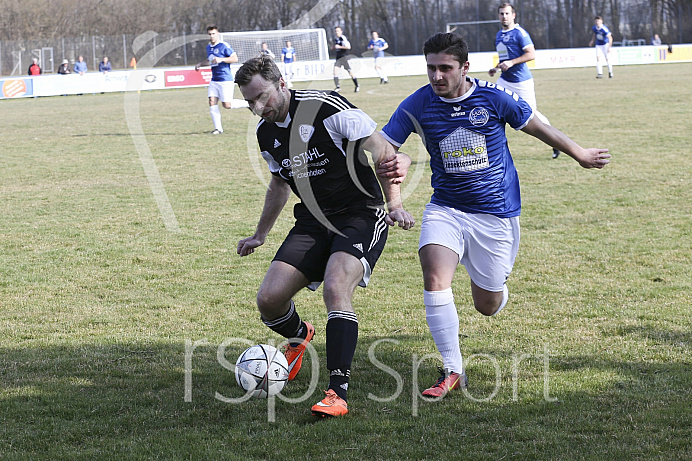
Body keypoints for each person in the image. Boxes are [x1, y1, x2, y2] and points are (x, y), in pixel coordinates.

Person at [377, 32, 610, 398]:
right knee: (435, 277)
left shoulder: (492, 96)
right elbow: (385, 153)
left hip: (495, 214)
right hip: (446, 208)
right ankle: (453, 369)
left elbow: (538, 127)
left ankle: (493, 286)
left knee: (486, 305)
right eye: (431, 68)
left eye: (445, 68)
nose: (437, 76)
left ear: (464, 67)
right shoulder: (417, 104)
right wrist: (395, 200)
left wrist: (578, 153)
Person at [234, 55, 414, 417]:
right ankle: (300, 337)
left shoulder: (325, 107)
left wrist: (393, 204)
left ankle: (337, 391)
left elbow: (383, 152)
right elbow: (279, 184)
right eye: (249, 102)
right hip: (313, 222)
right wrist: (260, 234)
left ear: (281, 84)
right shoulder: (265, 133)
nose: (257, 107)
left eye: (262, 96)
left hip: (361, 214)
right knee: (269, 300)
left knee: (336, 285)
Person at [488, 3, 559, 159]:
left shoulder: (520, 33)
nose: (504, 16)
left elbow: (531, 54)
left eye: (507, 13)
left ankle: (556, 142)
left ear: (513, 15)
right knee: (490, 105)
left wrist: (512, 63)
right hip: (504, 80)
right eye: (501, 14)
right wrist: (496, 68)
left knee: (532, 115)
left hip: (521, 82)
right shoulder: (499, 34)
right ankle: (490, 148)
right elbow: (505, 58)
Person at [195, 25, 239, 134]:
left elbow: (235, 58)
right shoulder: (208, 47)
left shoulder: (224, 45)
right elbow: (210, 61)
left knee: (227, 105)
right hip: (214, 80)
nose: (212, 36)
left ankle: (248, 104)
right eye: (210, 34)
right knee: (211, 101)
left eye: (213, 33)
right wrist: (201, 64)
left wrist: (221, 59)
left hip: (225, 79)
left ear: (217, 33)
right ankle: (218, 129)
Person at [333, 26, 360, 92]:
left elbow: (348, 47)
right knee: (335, 72)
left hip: (344, 58)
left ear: (341, 31)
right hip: (338, 58)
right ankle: (338, 87)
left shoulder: (343, 38)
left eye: (338, 31)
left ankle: (357, 85)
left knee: (350, 72)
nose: (337, 32)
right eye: (336, 31)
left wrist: (340, 47)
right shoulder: (336, 39)